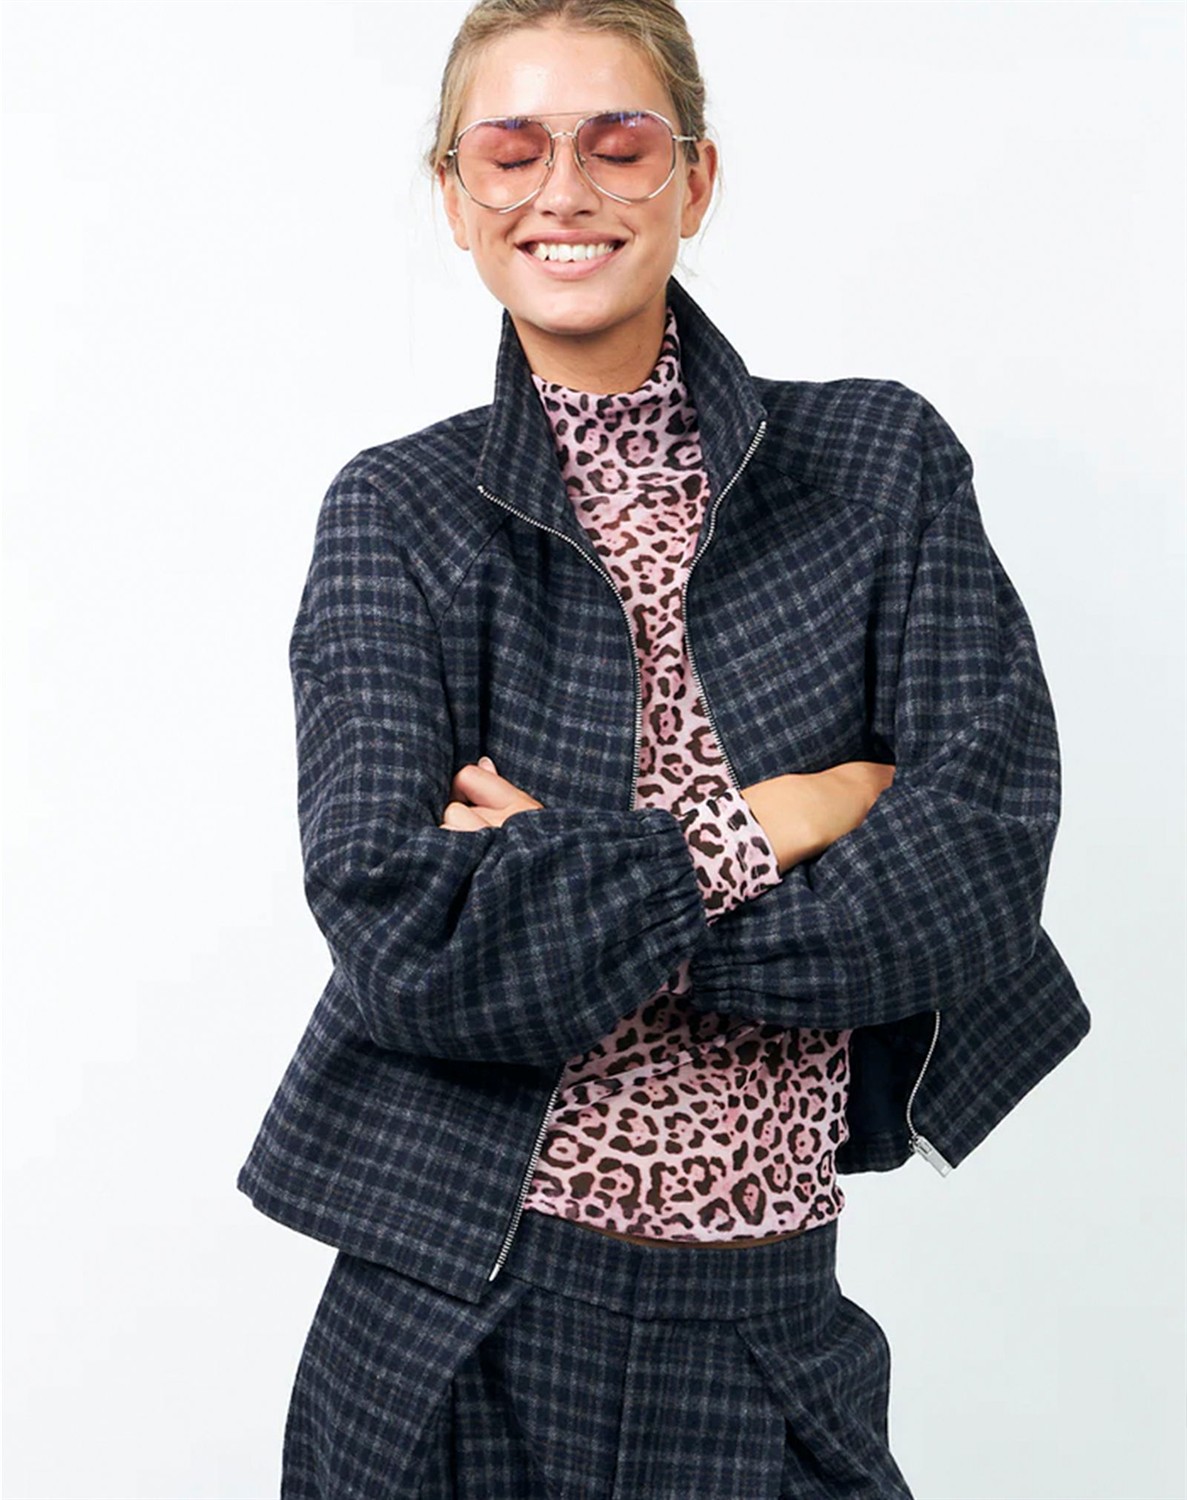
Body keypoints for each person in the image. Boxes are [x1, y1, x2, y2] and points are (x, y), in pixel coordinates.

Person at [236, 1, 1091, 1494]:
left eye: (618, 144)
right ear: (455, 195)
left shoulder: (879, 464)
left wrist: (572, 887)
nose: (562, 190)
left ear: (694, 180)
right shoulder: (395, 513)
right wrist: (776, 817)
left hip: (771, 1320)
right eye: (511, 149)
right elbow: (402, 941)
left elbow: (978, 867)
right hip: (457, 1318)